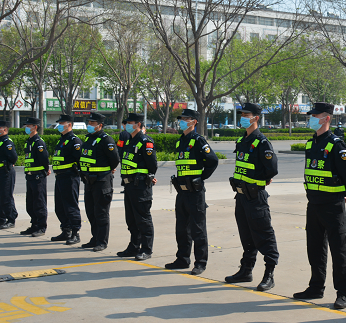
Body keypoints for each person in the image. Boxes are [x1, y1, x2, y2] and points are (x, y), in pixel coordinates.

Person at [293, 103, 346, 310]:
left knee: (339, 251)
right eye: (310, 115)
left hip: (332, 206)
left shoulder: (336, 145)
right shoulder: (311, 145)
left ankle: (343, 293)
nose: (311, 118)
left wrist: (341, 193)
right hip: (314, 205)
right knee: (315, 248)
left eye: (315, 115)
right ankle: (316, 286)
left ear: (327, 118)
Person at [225, 102, 279, 292]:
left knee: (264, 236)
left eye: (246, 115)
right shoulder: (242, 140)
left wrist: (263, 180)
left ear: (256, 118)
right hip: (241, 197)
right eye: (241, 114)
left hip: (256, 198)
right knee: (246, 236)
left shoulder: (261, 142)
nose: (242, 117)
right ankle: (246, 270)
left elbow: (272, 169)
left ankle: (269, 274)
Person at [165, 109, 219, 275]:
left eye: (186, 119)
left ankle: (200, 263)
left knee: (198, 229)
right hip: (181, 191)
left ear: (194, 122)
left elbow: (212, 161)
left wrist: (201, 178)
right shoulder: (181, 141)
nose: (182, 121)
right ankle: (182, 259)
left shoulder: (198, 140)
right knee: (181, 228)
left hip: (195, 192)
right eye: (181, 119)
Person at [117, 112, 158, 261]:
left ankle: (146, 249)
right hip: (129, 186)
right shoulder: (129, 141)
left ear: (138, 124)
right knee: (131, 219)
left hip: (140, 186)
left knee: (143, 219)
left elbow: (152, 164)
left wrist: (150, 177)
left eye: (130, 122)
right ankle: (134, 246)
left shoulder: (145, 141)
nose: (127, 125)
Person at [79, 112, 120, 252]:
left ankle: (102, 241)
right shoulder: (88, 139)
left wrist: (108, 170)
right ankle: (95, 237)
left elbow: (114, 159)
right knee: (91, 212)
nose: (89, 125)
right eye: (88, 123)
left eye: (92, 123)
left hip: (102, 181)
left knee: (101, 212)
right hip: (89, 181)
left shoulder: (106, 140)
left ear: (100, 125)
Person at [50, 114, 83, 245]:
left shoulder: (75, 141)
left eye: (62, 123)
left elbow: (80, 160)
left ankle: (75, 232)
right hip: (60, 177)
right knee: (60, 206)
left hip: (70, 177)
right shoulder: (62, 140)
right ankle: (66, 230)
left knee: (70, 205)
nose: (59, 125)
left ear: (69, 125)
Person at [21, 117, 50, 237]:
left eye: (29, 126)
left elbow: (44, 159)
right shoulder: (29, 142)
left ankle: (41, 227)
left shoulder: (39, 142)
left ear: (35, 127)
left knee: (39, 202)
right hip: (30, 176)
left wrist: (45, 170)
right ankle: (34, 225)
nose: (27, 128)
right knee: (31, 203)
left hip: (38, 177)